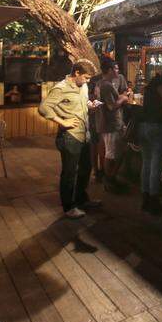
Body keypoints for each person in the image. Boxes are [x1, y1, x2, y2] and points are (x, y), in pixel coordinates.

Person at [39, 59, 102, 219]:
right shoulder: (61, 88)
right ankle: (68, 207)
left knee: (86, 168)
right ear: (77, 73)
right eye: (86, 77)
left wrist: (90, 104)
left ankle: (81, 200)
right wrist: (63, 122)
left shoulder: (83, 86)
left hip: (84, 134)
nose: (88, 81)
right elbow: (44, 108)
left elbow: (80, 102)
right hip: (70, 136)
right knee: (69, 173)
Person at [138, 71, 162, 215]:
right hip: (158, 127)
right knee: (156, 165)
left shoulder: (149, 87)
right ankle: (154, 199)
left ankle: (145, 197)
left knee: (146, 162)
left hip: (143, 127)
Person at [96, 59, 132, 194]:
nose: (118, 71)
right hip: (111, 124)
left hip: (110, 123)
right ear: (110, 70)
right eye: (116, 69)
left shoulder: (101, 84)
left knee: (117, 152)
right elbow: (111, 106)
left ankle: (111, 178)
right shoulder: (106, 85)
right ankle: (109, 180)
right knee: (111, 154)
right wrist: (123, 98)